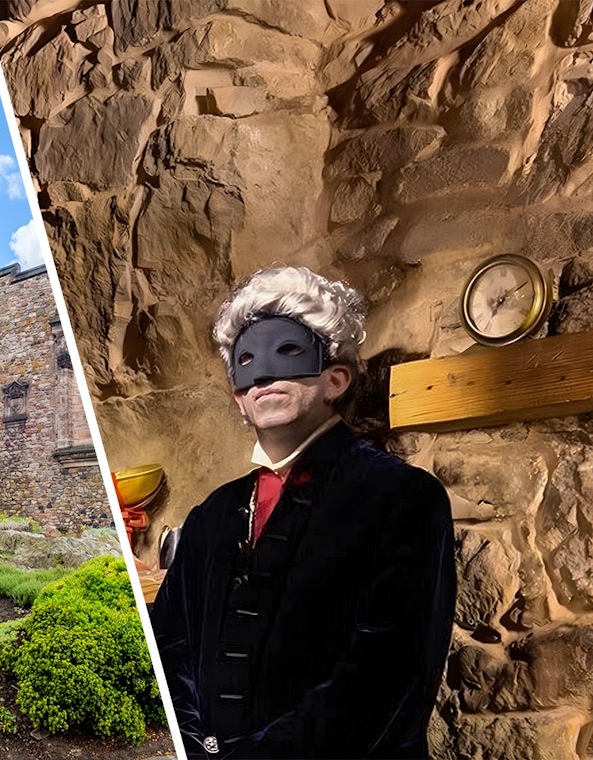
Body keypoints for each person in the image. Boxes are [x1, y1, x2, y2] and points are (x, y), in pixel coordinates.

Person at [149, 266, 455, 759]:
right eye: (246, 361)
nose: (264, 374)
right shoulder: (214, 514)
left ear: (335, 378)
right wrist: (198, 747)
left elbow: (385, 677)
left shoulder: (402, 496)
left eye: (287, 351)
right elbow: (170, 644)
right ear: (239, 400)